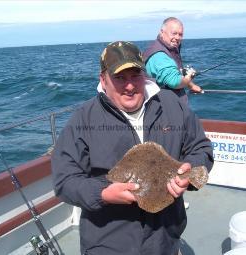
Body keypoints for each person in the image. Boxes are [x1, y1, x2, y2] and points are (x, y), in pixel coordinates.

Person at [51, 41, 213, 255]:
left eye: (135, 75)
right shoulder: (83, 119)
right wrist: (103, 193)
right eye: (119, 78)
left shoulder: (172, 105)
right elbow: (64, 181)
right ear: (103, 79)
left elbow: (201, 148)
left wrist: (188, 171)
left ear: (144, 75)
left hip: (165, 238)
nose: (129, 86)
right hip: (108, 243)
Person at [143, 17, 202, 104]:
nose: (177, 37)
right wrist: (189, 77)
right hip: (164, 109)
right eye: (174, 33)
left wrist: (191, 85)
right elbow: (175, 82)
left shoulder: (166, 47)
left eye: (180, 34)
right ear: (162, 32)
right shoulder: (159, 56)